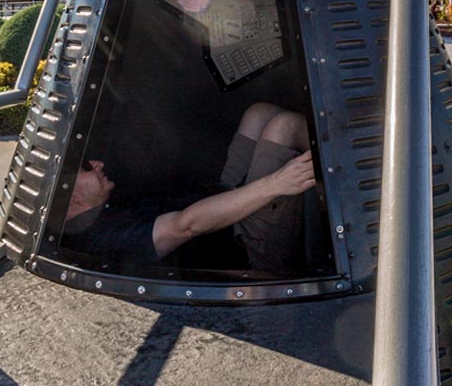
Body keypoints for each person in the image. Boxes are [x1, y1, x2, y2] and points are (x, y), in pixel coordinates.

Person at [60, 102, 318, 271]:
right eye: (85, 168)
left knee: (259, 114)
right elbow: (186, 226)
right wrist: (278, 183)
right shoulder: (104, 239)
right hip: (245, 246)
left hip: (222, 206)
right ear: (71, 199)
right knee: (283, 127)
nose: (98, 164)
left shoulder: (106, 211)